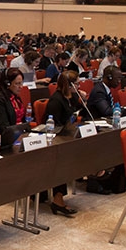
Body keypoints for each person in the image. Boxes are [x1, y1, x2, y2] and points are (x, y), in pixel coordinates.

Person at [42, 70, 84, 215]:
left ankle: (94, 171)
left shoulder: (70, 97)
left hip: (67, 137)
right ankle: (57, 199)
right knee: (62, 157)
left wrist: (81, 100)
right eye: (76, 84)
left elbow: (77, 114)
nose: (79, 86)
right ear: (68, 85)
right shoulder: (56, 100)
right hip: (52, 139)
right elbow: (53, 126)